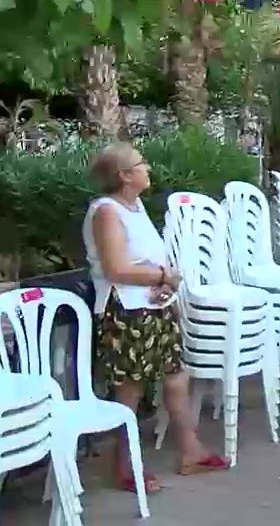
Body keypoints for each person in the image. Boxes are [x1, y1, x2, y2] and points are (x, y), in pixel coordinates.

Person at [83, 143, 230, 494]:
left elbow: (146, 261)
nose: (147, 167)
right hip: (126, 312)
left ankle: (190, 450)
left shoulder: (134, 208)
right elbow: (116, 269)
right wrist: (165, 278)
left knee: (176, 376)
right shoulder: (106, 212)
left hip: (153, 309)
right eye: (140, 163)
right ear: (125, 175)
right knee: (130, 391)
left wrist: (164, 283)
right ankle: (124, 464)